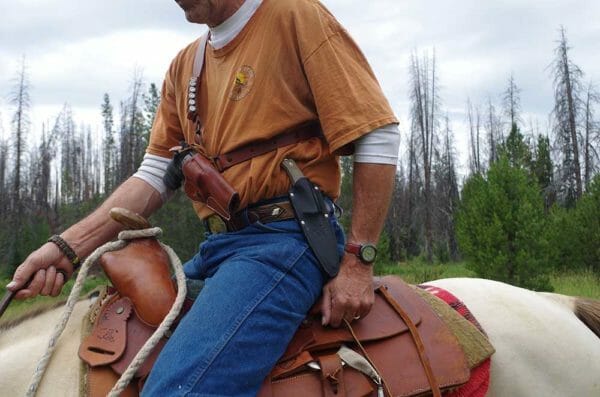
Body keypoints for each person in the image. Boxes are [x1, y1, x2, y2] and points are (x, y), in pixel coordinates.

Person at [7, 0, 400, 395]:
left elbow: (377, 134)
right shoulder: (186, 65)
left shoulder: (294, 15)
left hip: (285, 243)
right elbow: (154, 175)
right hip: (219, 247)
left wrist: (358, 260)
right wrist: (65, 248)